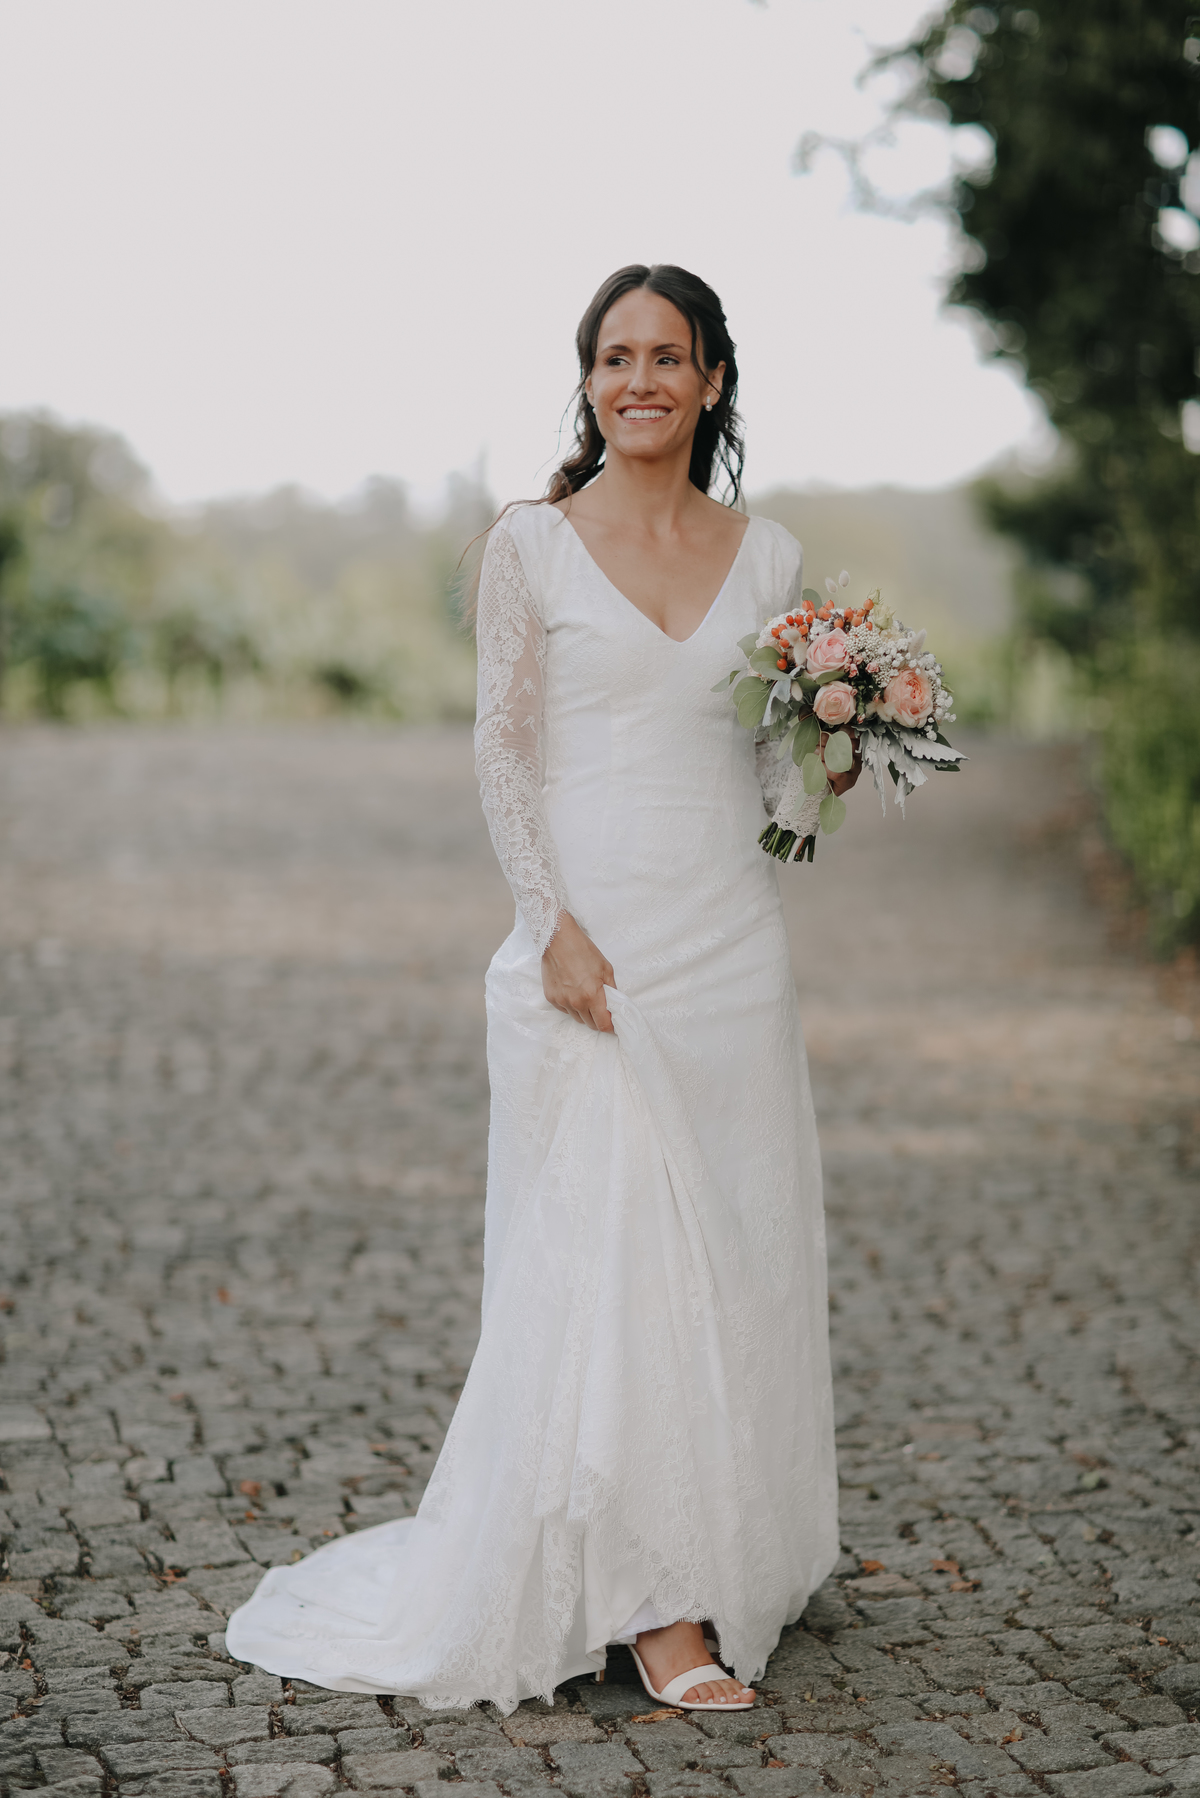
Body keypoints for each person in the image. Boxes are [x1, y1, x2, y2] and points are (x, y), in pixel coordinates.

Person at [225, 263, 850, 1715]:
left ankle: (731, 1537)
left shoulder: (771, 560)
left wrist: (839, 742)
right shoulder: (532, 544)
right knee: (611, 1257)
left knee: (735, 1248)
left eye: (668, 356)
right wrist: (549, 924)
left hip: (726, 946)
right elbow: (501, 750)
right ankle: (653, 1601)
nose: (639, 378)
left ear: (711, 382)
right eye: (614, 355)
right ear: (587, 382)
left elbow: (776, 794)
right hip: (588, 953)